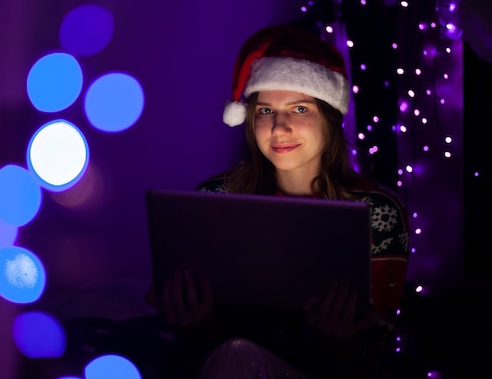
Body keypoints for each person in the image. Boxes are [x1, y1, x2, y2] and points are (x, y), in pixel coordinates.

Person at [144, 24, 410, 379]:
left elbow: (375, 360)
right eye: (265, 111)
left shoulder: (378, 211)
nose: (279, 127)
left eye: (299, 109)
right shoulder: (214, 200)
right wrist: (198, 325)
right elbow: (201, 348)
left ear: (330, 120)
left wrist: (340, 342)